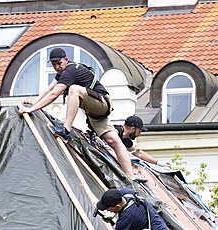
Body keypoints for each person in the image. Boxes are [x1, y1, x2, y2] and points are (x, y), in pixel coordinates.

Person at [18, 47, 136, 180]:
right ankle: (131, 176)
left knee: (74, 90)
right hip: (95, 112)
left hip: (102, 102)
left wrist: (30, 110)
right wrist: (33, 103)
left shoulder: (70, 71)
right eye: (54, 64)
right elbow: (49, 89)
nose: (57, 67)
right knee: (114, 141)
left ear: (66, 60)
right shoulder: (64, 72)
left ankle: (66, 130)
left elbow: (53, 94)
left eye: (59, 63)